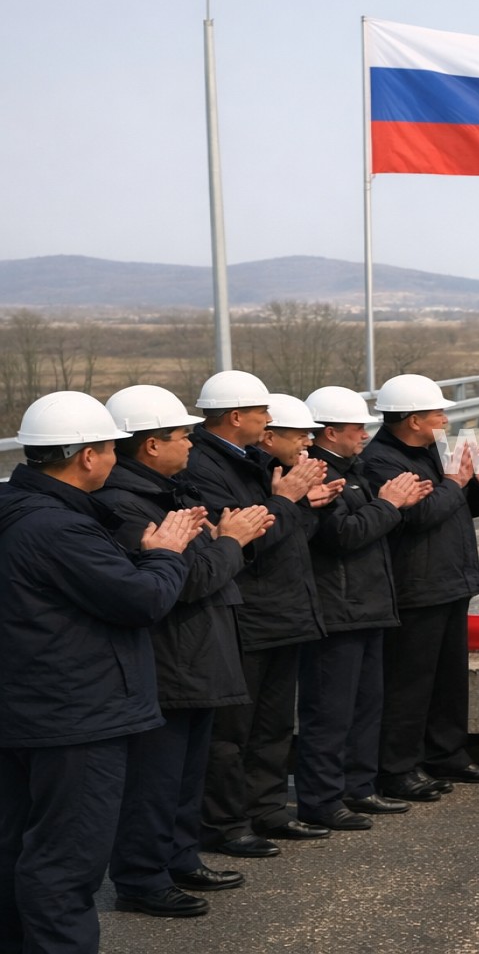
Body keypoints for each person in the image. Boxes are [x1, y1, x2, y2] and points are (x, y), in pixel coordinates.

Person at [0, 392, 202, 954]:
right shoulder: (57, 529)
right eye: (112, 448)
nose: (116, 458)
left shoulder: (21, 510)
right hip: (75, 718)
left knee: (17, 851)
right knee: (65, 864)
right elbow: (141, 601)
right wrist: (166, 552)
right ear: (87, 456)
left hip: (26, 709)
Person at [95, 386, 274, 917]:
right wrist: (230, 542)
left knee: (184, 775)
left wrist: (220, 544)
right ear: (150, 446)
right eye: (179, 436)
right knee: (156, 778)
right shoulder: (126, 504)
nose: (190, 444)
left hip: (195, 656)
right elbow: (187, 581)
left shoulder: (164, 492)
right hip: (170, 661)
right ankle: (142, 878)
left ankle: (178, 856)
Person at [182, 374, 338, 858]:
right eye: (261, 412)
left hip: (281, 610)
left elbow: (285, 531)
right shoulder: (204, 468)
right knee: (232, 732)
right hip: (246, 613)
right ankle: (226, 824)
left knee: (272, 724)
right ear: (236, 416)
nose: (268, 421)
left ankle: (266, 809)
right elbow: (246, 539)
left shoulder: (253, 461)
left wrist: (301, 503)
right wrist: (286, 499)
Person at [360, 374, 479, 801]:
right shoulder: (381, 462)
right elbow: (418, 517)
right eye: (437, 413)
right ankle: (397, 768)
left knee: (448, 680)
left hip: (450, 579)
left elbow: (459, 508)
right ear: (412, 420)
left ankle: (447, 754)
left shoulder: (431, 453)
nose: (445, 419)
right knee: (409, 682)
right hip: (417, 585)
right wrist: (455, 483)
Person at [294, 386, 432, 832]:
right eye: (357, 428)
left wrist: (391, 505)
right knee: (330, 711)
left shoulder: (353, 471)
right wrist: (389, 505)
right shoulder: (315, 476)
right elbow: (343, 535)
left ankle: (359, 785)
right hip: (338, 608)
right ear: (329, 432)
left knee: (366, 705)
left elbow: (369, 525)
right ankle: (322, 798)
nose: (364, 436)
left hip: (369, 604)